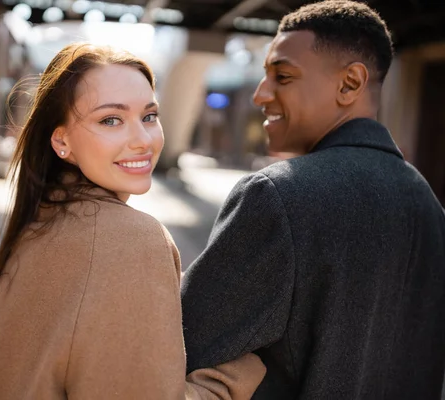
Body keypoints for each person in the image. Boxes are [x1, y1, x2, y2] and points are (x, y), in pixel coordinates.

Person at [181, 1, 445, 399]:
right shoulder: (427, 206)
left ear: (350, 84)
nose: (259, 94)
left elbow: (181, 343)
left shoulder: (277, 195)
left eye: (282, 76)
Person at [0, 43, 265, 399]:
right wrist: (237, 374)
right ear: (61, 140)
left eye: (149, 116)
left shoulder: (38, 224)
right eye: (110, 119)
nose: (143, 140)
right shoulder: (131, 240)